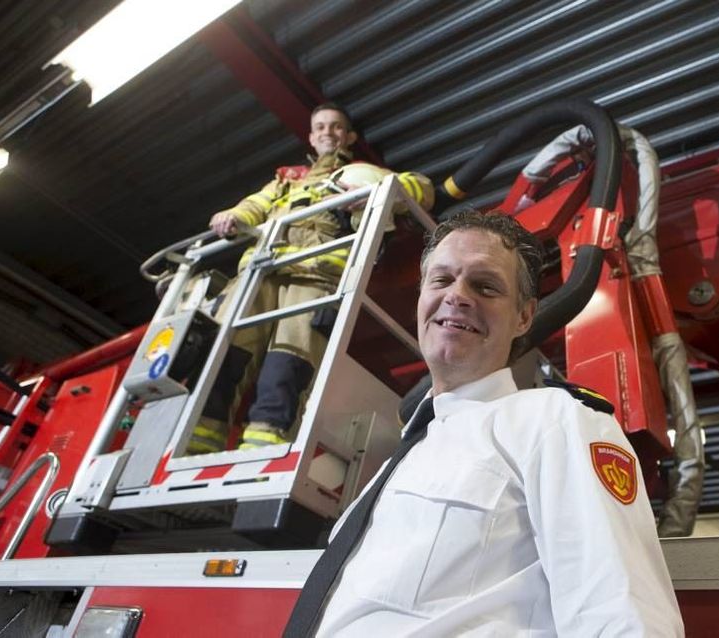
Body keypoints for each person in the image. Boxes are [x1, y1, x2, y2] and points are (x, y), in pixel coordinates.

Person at [286, 211, 683, 636]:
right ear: (421, 298)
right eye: (441, 280)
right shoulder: (397, 462)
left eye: (485, 285)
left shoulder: (556, 421)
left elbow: (620, 614)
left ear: (525, 317)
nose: (457, 295)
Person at [189, 103, 434, 453]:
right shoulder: (288, 180)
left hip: (315, 278)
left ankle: (263, 447)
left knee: (290, 357)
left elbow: (422, 188)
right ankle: (198, 443)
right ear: (311, 136)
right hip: (260, 273)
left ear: (349, 136)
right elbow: (253, 206)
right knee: (226, 349)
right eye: (320, 127)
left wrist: (371, 192)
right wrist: (231, 215)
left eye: (336, 127)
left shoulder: (364, 173)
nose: (327, 133)